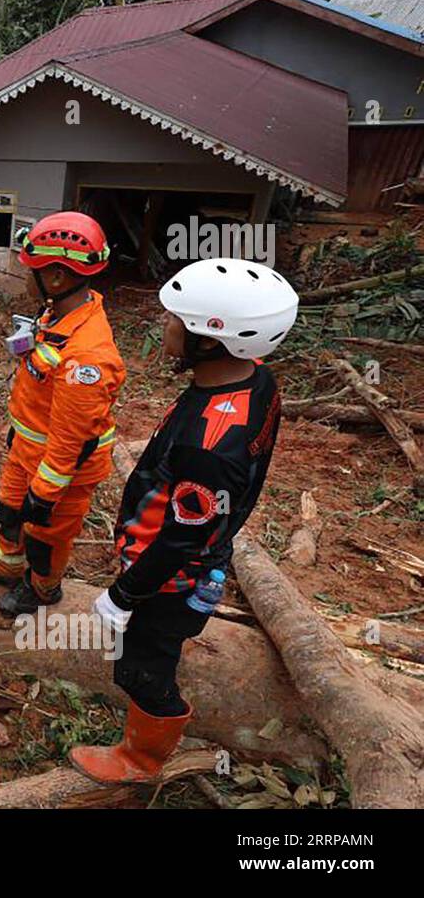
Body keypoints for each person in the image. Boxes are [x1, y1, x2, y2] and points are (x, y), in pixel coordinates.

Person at [69, 257, 299, 783]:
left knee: (140, 665)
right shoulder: (255, 381)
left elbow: (180, 537)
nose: (164, 325)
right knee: (156, 645)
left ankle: (142, 759)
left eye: (176, 319)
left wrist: (125, 594)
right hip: (199, 553)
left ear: (211, 339)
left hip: (171, 574)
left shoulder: (209, 446)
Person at [0, 212, 125, 617]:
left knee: (45, 535)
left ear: (55, 277)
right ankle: (5, 564)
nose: (24, 277)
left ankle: (43, 589)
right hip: (29, 450)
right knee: (10, 510)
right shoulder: (59, 313)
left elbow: (72, 440)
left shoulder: (86, 358)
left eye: (30, 270)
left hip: (61, 470)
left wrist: (46, 492)